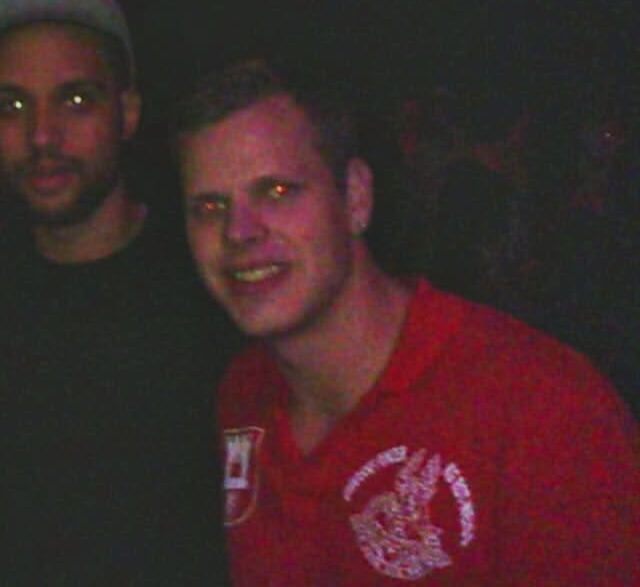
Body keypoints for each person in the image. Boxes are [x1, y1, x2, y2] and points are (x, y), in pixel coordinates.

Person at [172, 58, 640, 585]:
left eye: (277, 191)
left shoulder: (540, 408)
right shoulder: (242, 394)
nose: (238, 232)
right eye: (209, 207)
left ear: (356, 197)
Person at [0, 0, 237, 584]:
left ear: (128, 112)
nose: (42, 135)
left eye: (75, 101)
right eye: (11, 106)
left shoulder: (212, 285)